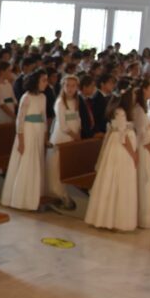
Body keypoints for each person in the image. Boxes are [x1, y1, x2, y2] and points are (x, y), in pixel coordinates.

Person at [85, 90, 139, 232]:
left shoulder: (121, 111)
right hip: (121, 150)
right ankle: (113, 219)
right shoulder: (120, 112)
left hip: (119, 147)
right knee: (118, 179)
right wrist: (133, 154)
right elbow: (123, 137)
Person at [0, 71, 48, 211]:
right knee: (27, 161)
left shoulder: (43, 97)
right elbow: (20, 120)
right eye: (43, 80)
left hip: (38, 131)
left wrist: (45, 136)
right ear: (35, 82)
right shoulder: (26, 97)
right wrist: (21, 141)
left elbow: (44, 117)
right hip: (27, 131)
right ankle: (21, 199)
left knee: (36, 161)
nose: (46, 83)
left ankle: (34, 196)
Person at [45, 75, 81, 208]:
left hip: (72, 137)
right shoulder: (60, 102)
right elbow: (63, 124)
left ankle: (68, 194)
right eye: (67, 86)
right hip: (61, 137)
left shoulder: (76, 101)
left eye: (73, 86)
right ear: (63, 86)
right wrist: (73, 134)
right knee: (57, 166)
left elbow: (77, 119)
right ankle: (58, 194)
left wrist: (78, 132)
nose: (70, 89)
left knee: (67, 166)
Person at [132, 83, 150, 227]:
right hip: (144, 150)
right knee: (145, 181)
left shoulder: (141, 109)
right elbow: (143, 136)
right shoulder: (139, 111)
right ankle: (143, 217)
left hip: (145, 149)